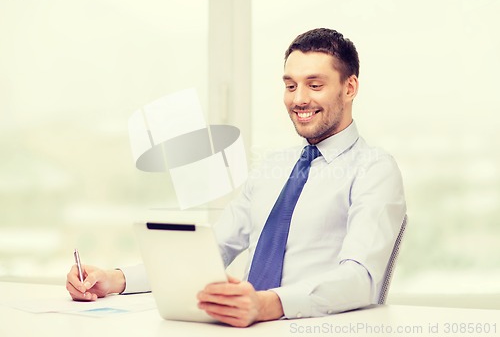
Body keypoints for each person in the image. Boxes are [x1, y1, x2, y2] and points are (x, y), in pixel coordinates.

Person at [66, 28, 406, 328]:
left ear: (350, 88)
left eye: (314, 85)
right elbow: (213, 250)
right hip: (240, 326)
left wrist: (268, 305)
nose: (299, 99)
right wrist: (115, 279)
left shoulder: (374, 169)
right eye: (290, 85)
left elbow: (360, 278)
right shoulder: (273, 167)